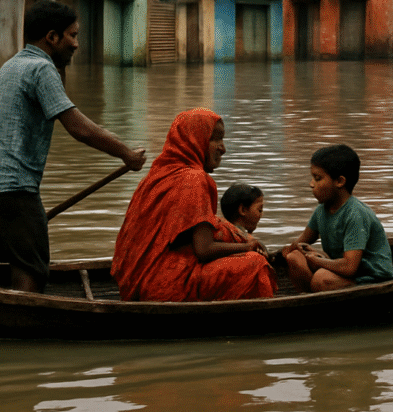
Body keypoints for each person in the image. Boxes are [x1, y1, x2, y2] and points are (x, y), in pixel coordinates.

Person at [0, 0, 146, 293]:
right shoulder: (41, 68)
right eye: (72, 35)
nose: (76, 44)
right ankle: (20, 327)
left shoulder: (12, 65)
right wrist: (126, 153)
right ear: (51, 37)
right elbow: (79, 128)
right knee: (31, 270)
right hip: (13, 188)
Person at [111, 108, 277, 301]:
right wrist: (247, 248)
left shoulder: (157, 174)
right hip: (163, 287)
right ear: (194, 140)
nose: (223, 148)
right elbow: (204, 249)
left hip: (136, 283)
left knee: (221, 227)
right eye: (215, 139)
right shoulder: (194, 179)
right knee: (256, 264)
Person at [281, 144, 393, 292]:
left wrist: (317, 260)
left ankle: (319, 293)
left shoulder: (355, 214)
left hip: (369, 277)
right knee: (294, 257)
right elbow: (301, 241)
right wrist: (288, 250)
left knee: (321, 279)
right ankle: (309, 299)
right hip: (341, 268)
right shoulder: (321, 210)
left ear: (340, 181)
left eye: (318, 178)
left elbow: (349, 267)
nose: (311, 184)